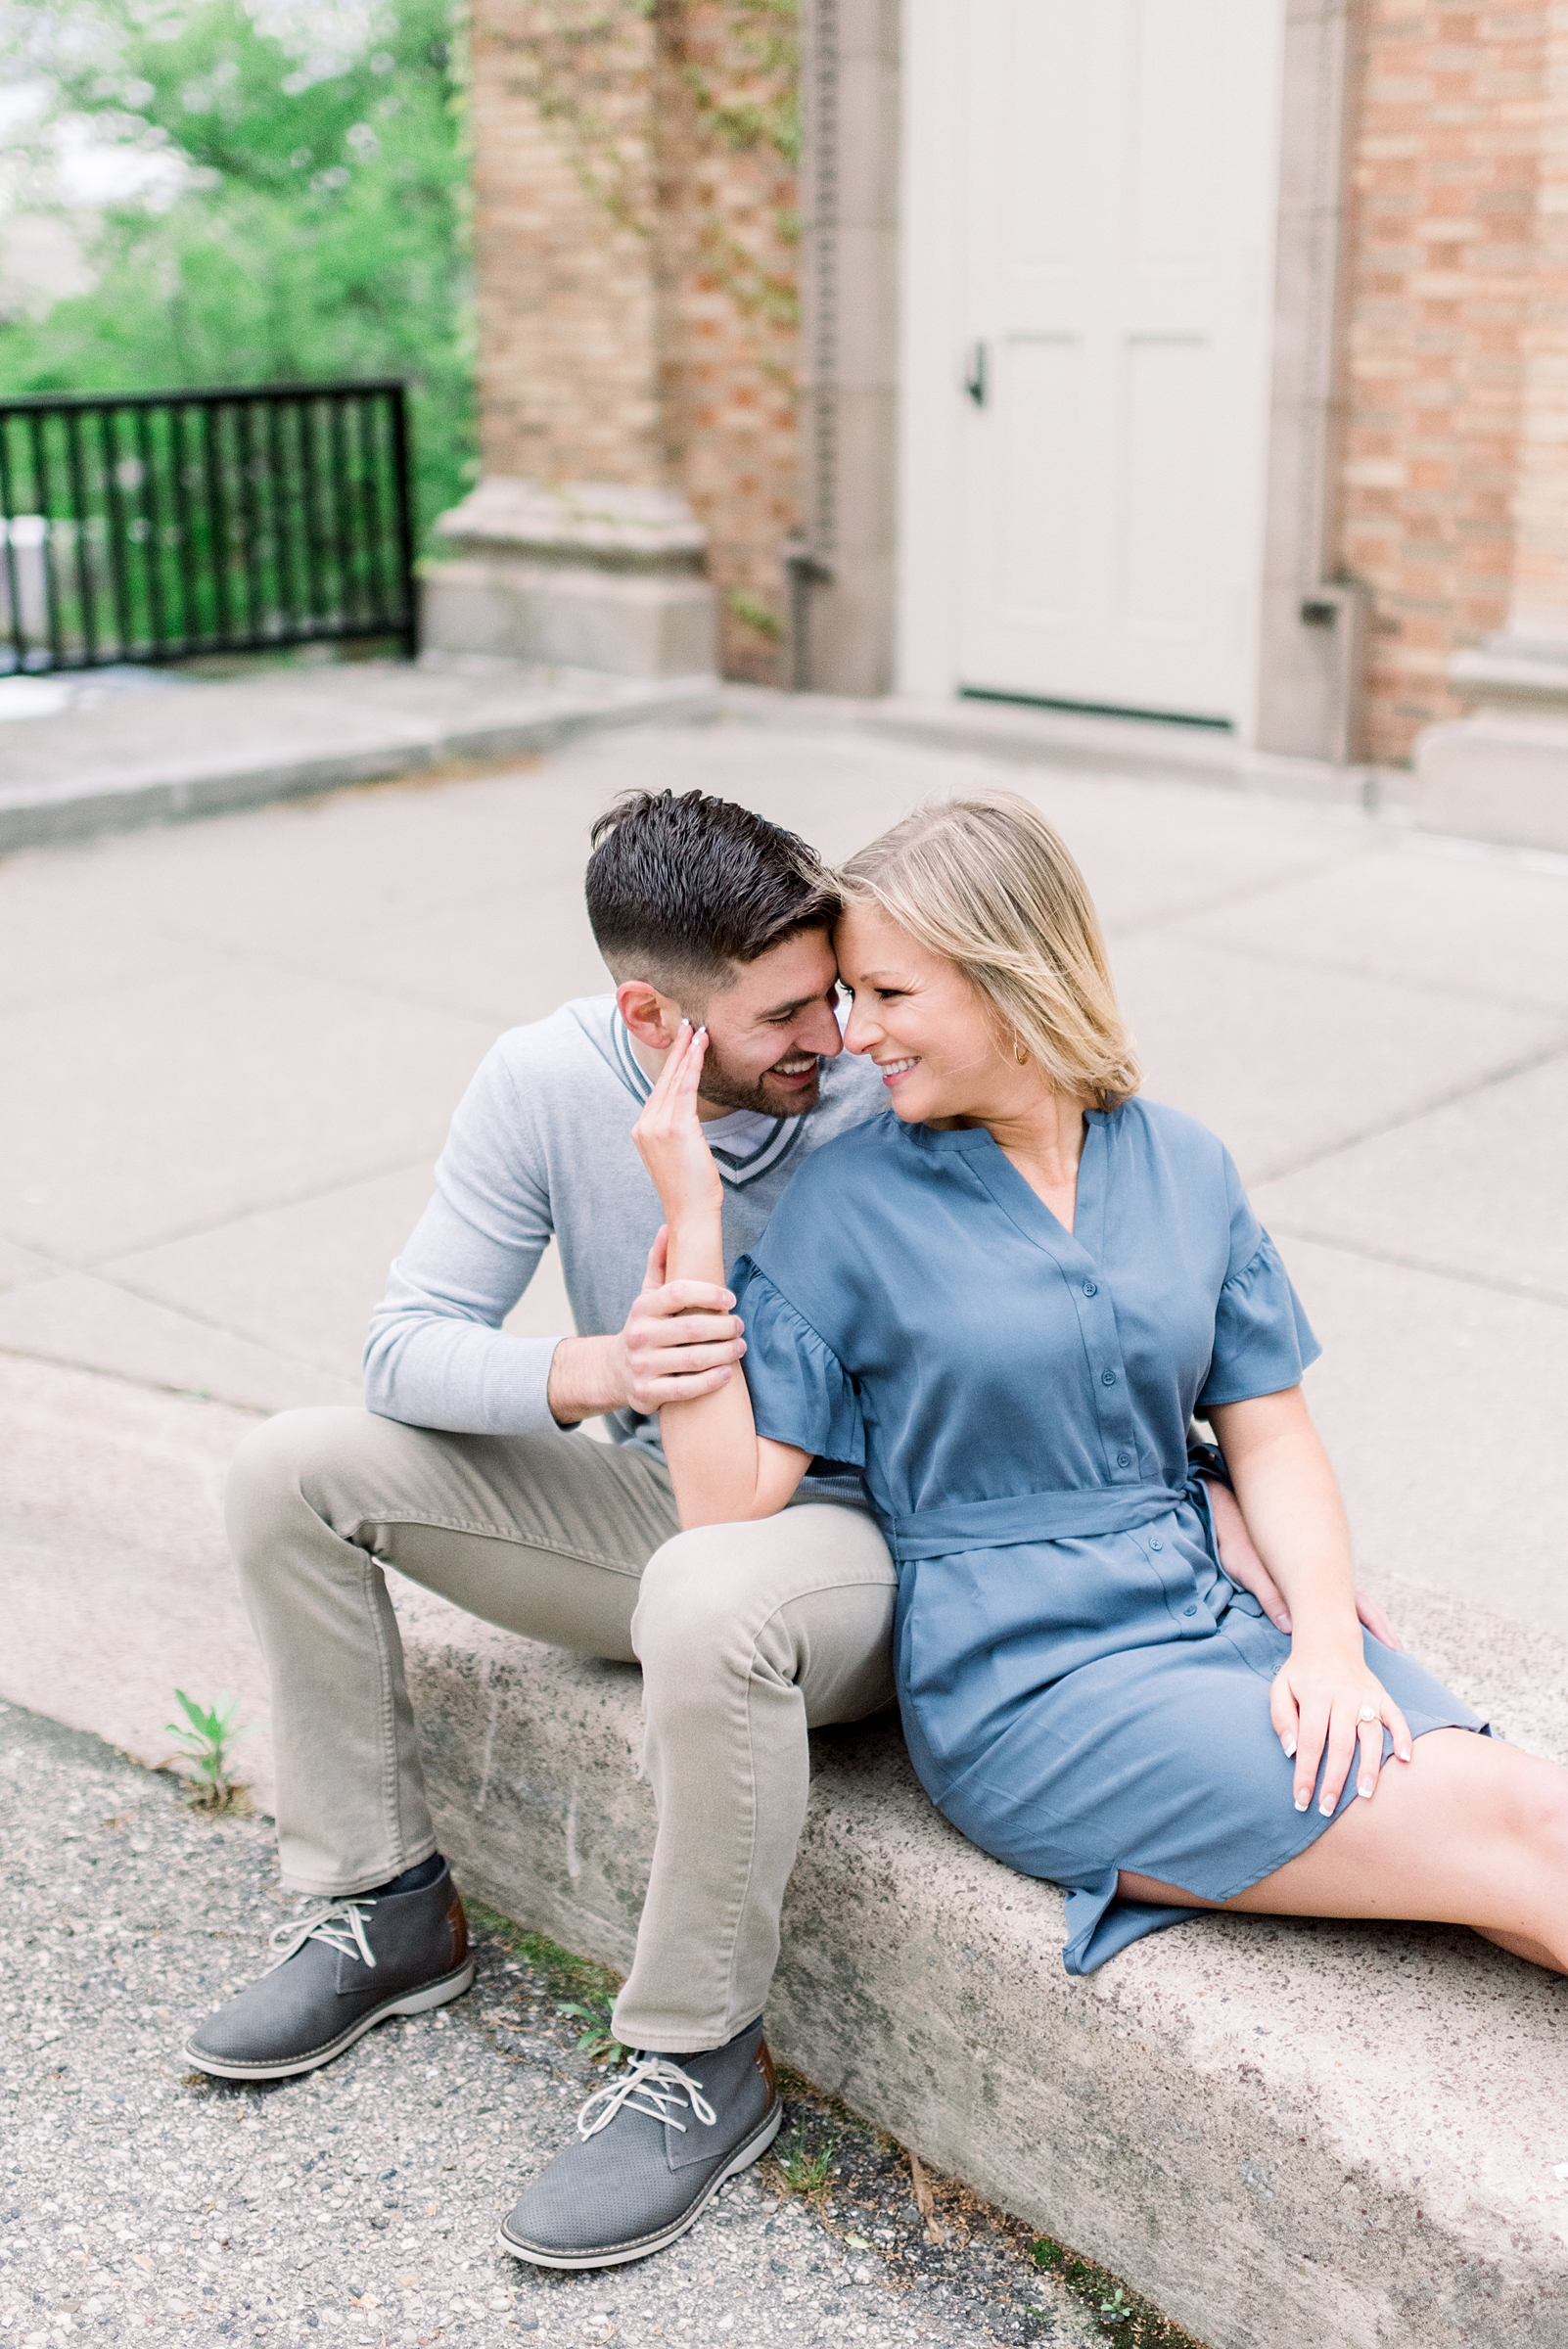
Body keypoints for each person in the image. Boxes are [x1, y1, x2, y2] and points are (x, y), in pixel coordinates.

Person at [183, 788, 1398, 2273]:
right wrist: (601, 1369)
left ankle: (697, 2058)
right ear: (652, 1016)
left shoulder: (883, 1084)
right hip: (680, 1489)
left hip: (879, 1533)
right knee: (286, 1470)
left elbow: (1077, 1286)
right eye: (784, 1016)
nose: (832, 1039)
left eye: (843, 992)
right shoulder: (541, 1085)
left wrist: (1194, 1476)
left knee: (712, 1592)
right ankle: (380, 1908)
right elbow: (406, 1346)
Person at [632, 790, 1568, 1986]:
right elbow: (719, 1510)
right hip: (1035, 1681)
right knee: (1527, 1831)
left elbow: (1272, 1436)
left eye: (890, 994)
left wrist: (1327, 1640)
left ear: (1013, 979)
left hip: (1225, 1610)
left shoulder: (1185, 1164)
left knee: (1523, 1849)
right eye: (852, 998)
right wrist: (696, 1221)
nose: (856, 1034)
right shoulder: (850, 1203)